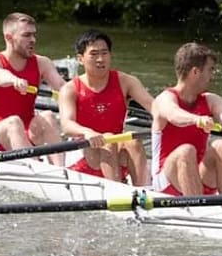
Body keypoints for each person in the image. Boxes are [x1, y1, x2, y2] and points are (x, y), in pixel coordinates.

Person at [58, 29, 155, 185]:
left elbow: (154, 107)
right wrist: (87, 132)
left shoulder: (126, 81)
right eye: (94, 54)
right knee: (108, 140)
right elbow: (66, 124)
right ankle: (118, 191)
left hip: (115, 152)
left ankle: (144, 190)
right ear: (81, 59)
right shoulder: (70, 89)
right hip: (85, 153)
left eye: (104, 53)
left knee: (133, 141)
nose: (100, 59)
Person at [150, 42, 222, 196]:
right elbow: (173, 115)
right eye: (210, 70)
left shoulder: (211, 100)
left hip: (198, 175)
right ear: (195, 72)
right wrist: (196, 119)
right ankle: (198, 209)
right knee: (186, 151)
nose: (213, 75)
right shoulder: (165, 99)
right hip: (167, 181)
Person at [0, 12, 68, 165]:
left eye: (34, 35)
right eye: (26, 35)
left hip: (30, 135)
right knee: (14, 122)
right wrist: (14, 80)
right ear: (9, 37)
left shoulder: (42, 62)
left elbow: (63, 88)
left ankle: (61, 170)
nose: (33, 40)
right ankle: (34, 169)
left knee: (48, 116)